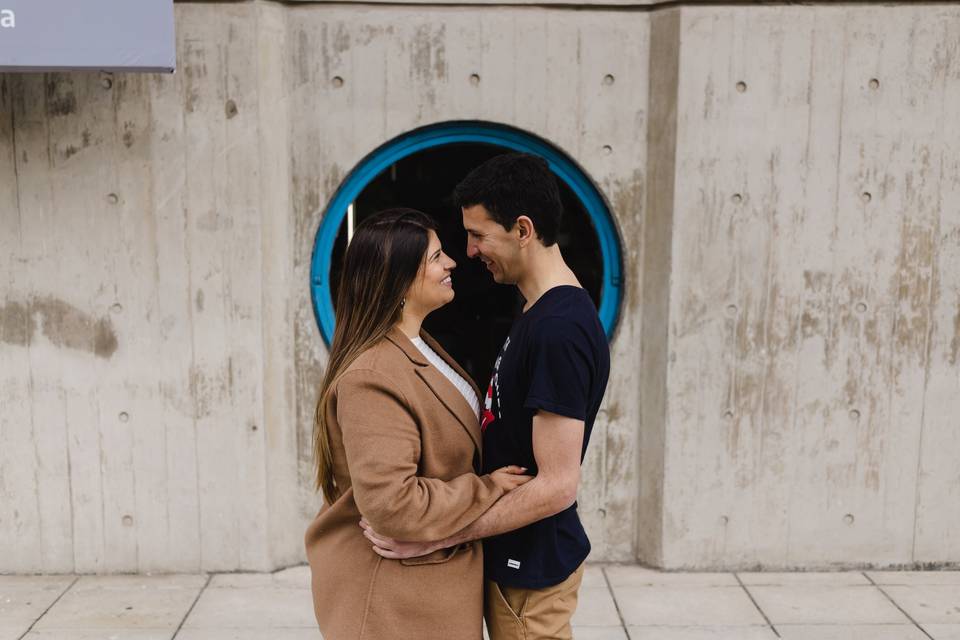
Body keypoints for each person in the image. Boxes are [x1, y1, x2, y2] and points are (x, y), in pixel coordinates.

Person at [361, 154, 611, 640]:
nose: (470, 252)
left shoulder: (558, 329)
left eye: (479, 235)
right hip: (515, 561)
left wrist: (435, 538)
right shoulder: (539, 311)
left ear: (523, 229)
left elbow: (558, 484)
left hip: (530, 572)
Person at [305, 208, 531, 640]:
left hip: (421, 592)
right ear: (399, 278)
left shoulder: (419, 345)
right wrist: (490, 488)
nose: (451, 263)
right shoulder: (372, 376)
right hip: (392, 602)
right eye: (436, 257)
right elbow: (393, 505)